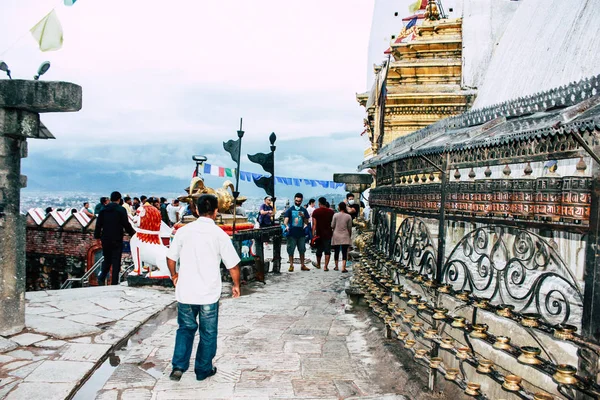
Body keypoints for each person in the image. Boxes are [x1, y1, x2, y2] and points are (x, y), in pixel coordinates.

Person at [166, 194, 241, 382]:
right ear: (216, 212)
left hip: (186, 292)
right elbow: (233, 265)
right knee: (208, 332)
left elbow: (171, 258)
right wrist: (236, 285)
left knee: (185, 328)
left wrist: (174, 275)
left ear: (197, 210)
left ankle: (178, 366)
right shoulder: (219, 235)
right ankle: (203, 369)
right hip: (208, 293)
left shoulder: (183, 231)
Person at [94, 191, 136, 285]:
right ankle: (114, 282)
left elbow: (98, 225)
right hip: (117, 238)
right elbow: (126, 224)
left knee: (107, 259)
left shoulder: (103, 209)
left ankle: (101, 278)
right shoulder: (121, 210)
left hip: (105, 238)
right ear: (119, 199)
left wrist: (97, 237)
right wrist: (133, 233)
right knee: (116, 260)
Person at [282, 193, 310, 272]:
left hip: (301, 233)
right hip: (292, 233)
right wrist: (286, 226)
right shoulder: (290, 210)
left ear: (301, 201)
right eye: (296, 201)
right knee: (291, 249)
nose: (298, 202)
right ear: (294, 199)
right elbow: (285, 221)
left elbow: (307, 222)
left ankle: (302, 264)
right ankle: (291, 265)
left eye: (299, 201)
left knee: (302, 249)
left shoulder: (304, 210)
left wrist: (303, 216)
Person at [311, 197, 334, 271]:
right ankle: (326, 266)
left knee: (319, 250)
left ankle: (318, 264)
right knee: (327, 251)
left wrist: (313, 234)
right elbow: (332, 224)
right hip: (328, 233)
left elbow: (314, 224)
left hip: (319, 233)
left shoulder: (316, 212)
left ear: (319, 203)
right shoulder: (331, 212)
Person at [331, 202, 352, 273]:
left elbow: (332, 225)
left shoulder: (335, 215)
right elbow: (349, 228)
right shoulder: (348, 216)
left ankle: (336, 266)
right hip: (345, 235)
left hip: (336, 235)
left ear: (339, 207)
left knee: (336, 251)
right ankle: (343, 267)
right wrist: (349, 235)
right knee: (344, 252)